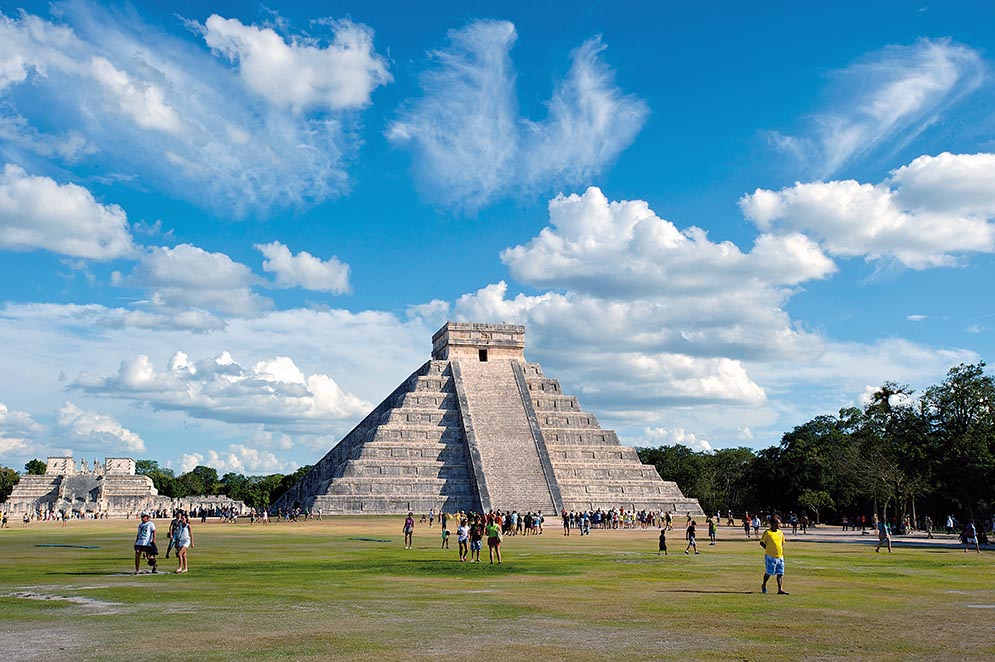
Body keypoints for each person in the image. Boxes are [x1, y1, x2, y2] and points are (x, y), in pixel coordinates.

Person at [760, 515, 788, 594]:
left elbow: (782, 543)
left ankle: (780, 589)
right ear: (773, 524)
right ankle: (764, 585)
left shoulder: (780, 533)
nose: (780, 525)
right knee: (769, 572)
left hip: (780, 556)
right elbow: (762, 543)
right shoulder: (768, 533)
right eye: (778, 523)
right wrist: (768, 549)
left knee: (780, 573)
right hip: (770, 556)